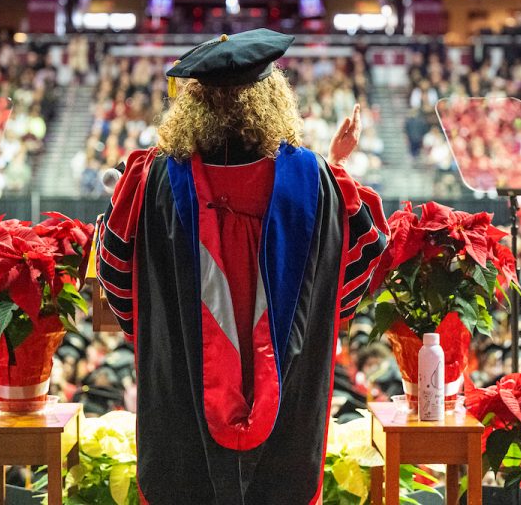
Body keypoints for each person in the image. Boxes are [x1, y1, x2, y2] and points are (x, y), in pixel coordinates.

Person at [96, 29, 389, 505]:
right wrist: (336, 166)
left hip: (182, 399)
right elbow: (351, 275)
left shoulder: (151, 180)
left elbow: (118, 282)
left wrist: (168, 339)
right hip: (287, 406)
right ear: (272, 97)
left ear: (193, 102)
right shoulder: (314, 180)